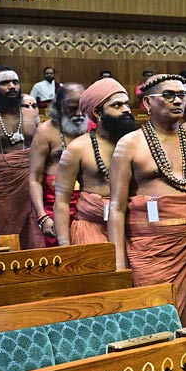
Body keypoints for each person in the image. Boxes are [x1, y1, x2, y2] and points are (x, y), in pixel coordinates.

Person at [108, 73, 186, 325]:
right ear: (148, 103)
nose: (178, 101)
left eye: (182, 95)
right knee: (154, 319)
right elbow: (116, 208)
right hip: (149, 252)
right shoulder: (129, 144)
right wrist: (118, 264)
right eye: (169, 95)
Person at [54, 78, 135, 246]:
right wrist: (65, 247)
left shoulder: (136, 144)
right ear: (98, 113)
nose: (126, 110)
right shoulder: (77, 149)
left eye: (127, 104)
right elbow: (61, 201)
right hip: (91, 229)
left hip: (131, 227)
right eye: (117, 105)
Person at [0, 66, 45, 249]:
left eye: (15, 82)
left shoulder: (31, 116)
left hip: (31, 186)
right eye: (4, 83)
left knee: (33, 238)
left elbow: (43, 153)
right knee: (2, 239)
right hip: (1, 190)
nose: (12, 86)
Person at [28, 82, 86, 246]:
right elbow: (34, 179)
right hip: (52, 208)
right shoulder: (45, 131)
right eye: (72, 108)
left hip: (85, 210)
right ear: (60, 106)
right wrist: (42, 217)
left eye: (82, 107)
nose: (79, 113)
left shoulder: (91, 129)